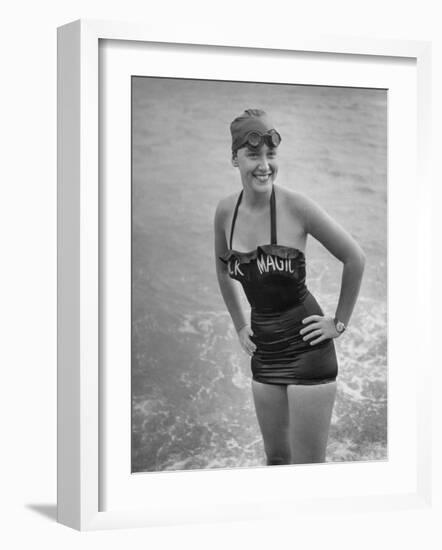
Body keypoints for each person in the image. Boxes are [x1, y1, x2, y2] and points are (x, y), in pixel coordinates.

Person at [214, 109, 365, 465]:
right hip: (265, 352)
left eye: (271, 155)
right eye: (253, 155)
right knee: (277, 462)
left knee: (308, 470)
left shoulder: (297, 207)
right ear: (234, 157)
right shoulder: (225, 212)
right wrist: (240, 325)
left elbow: (354, 258)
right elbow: (222, 271)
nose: (264, 165)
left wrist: (338, 323)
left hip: (309, 350)